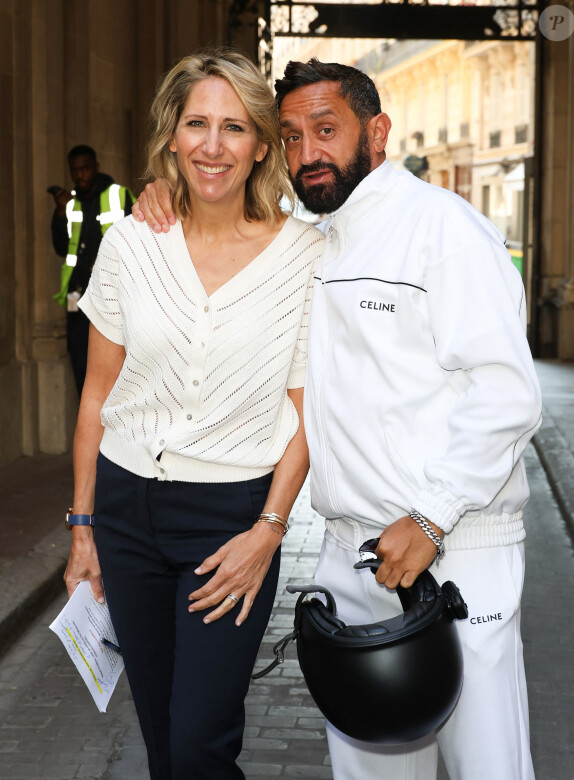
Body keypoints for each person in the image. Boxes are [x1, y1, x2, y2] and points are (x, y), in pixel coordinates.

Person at [132, 58, 541, 780]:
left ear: (376, 132)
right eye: (288, 137)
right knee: (367, 769)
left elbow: (507, 392)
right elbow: (226, 223)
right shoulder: (309, 238)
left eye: (326, 130)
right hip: (353, 555)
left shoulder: (441, 229)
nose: (306, 154)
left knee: (488, 767)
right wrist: (168, 193)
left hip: (454, 553)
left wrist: (433, 517)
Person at [64, 50, 323, 780]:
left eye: (234, 127)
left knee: (199, 744)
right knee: (161, 739)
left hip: (230, 519)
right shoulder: (129, 245)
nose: (213, 146)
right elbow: (96, 398)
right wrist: (82, 527)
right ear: (171, 136)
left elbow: (310, 417)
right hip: (123, 512)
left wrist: (268, 532)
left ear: (261, 144)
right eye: (197, 124)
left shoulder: (305, 257)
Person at [50, 145, 134, 395]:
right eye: (75, 171)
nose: (80, 176)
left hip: (113, 297)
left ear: (96, 167)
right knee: (81, 367)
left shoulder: (119, 195)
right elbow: (61, 247)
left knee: (116, 370)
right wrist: (60, 213)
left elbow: (137, 240)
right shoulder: (70, 203)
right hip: (77, 300)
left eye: (85, 169)